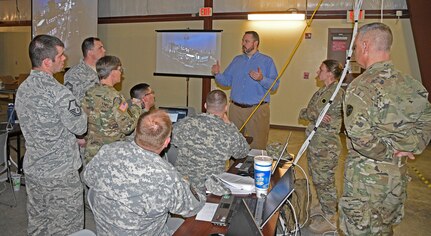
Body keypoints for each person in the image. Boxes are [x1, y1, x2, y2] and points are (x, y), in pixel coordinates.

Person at [339, 22, 431, 235]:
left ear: (364, 45)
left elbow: (360, 137)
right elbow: (426, 121)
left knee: (360, 230)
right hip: (396, 178)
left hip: (365, 181)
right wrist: (411, 147)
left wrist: (388, 152)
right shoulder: (412, 84)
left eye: (355, 46)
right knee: (384, 228)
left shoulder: (361, 86)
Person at [83, 109, 205, 235]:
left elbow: (87, 178)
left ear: (136, 131)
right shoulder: (167, 176)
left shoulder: (108, 151)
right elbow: (193, 208)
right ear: (166, 142)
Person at [15, 34, 87, 235]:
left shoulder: (22, 89)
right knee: (67, 228)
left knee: (38, 223)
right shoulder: (59, 93)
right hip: (60, 175)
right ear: (47, 62)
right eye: (61, 55)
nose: (65, 59)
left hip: (35, 169)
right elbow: (80, 126)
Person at [171, 89, 250, 192]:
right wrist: (230, 125)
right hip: (210, 189)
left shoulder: (185, 123)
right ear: (226, 108)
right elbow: (243, 152)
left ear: (205, 105)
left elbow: (169, 139)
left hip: (183, 186)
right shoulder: (228, 132)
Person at [212, 31, 279, 149]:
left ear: (256, 43)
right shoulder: (237, 60)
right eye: (243, 41)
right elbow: (226, 81)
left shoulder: (267, 61)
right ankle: (234, 167)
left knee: (258, 145)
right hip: (235, 109)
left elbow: (275, 86)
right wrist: (217, 74)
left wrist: (262, 79)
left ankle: (253, 167)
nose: (243, 43)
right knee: (233, 144)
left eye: (246, 41)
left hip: (257, 110)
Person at [298, 59, 344, 233]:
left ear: (330, 74)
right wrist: (314, 114)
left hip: (326, 147)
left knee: (325, 181)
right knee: (317, 177)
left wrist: (313, 113)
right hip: (316, 143)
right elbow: (306, 112)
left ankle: (331, 217)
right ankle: (324, 207)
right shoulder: (322, 91)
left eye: (321, 69)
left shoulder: (336, 93)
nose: (318, 72)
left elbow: (311, 112)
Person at [81, 55, 142, 163]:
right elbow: (127, 127)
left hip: (92, 153)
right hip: (111, 155)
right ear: (113, 72)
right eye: (120, 70)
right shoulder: (116, 97)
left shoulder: (89, 92)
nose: (121, 73)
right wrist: (137, 108)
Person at [64, 37, 106, 101]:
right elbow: (72, 101)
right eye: (100, 48)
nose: (104, 50)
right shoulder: (74, 74)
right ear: (90, 53)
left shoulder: (104, 70)